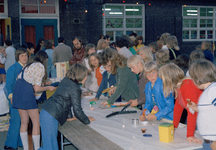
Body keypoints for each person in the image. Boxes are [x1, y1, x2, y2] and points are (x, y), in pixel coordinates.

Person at [38, 64, 95, 150]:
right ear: (80, 75)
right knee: (49, 148)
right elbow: (77, 110)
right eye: (86, 75)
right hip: (50, 116)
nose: (86, 77)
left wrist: (69, 117)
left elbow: (65, 100)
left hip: (47, 113)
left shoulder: (66, 80)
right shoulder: (75, 88)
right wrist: (87, 120)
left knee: (51, 147)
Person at [12, 51, 56, 150]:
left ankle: (26, 148)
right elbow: (36, 89)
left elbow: (31, 82)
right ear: (46, 59)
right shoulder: (40, 66)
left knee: (24, 122)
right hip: (26, 93)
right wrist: (48, 88)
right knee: (36, 123)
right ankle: (37, 149)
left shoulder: (29, 65)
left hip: (18, 91)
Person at [159, 63, 202, 143]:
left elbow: (192, 112)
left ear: (168, 79)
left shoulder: (188, 85)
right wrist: (174, 126)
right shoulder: (178, 86)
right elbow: (178, 107)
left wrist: (190, 134)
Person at [3, 47, 28, 150]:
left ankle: (20, 142)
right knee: (16, 120)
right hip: (15, 97)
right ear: (18, 57)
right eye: (22, 56)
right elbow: (8, 85)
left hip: (25, 98)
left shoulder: (27, 67)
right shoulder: (13, 68)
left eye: (26, 55)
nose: (25, 57)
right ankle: (10, 144)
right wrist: (11, 97)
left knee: (23, 121)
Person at [188, 59, 216, 150]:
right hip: (208, 141)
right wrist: (197, 108)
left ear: (197, 78)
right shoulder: (210, 89)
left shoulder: (212, 90)